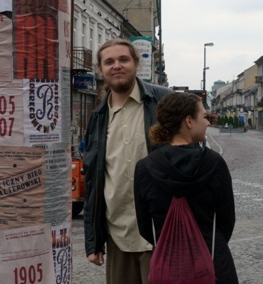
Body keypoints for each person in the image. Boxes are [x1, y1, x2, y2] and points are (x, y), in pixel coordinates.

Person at [82, 39, 171, 284]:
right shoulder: (98, 117)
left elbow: (190, 159)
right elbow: (93, 180)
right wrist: (94, 239)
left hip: (160, 232)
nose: (116, 66)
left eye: (123, 59)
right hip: (118, 233)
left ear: (135, 63)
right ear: (100, 69)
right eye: (109, 62)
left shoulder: (162, 102)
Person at [134, 91, 238, 283]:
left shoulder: (145, 167)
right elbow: (226, 220)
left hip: (168, 267)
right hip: (213, 263)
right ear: (189, 121)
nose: (208, 122)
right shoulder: (214, 164)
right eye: (204, 117)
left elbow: (145, 226)